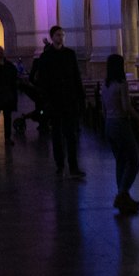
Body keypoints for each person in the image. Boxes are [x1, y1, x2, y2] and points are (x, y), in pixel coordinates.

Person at [37, 24, 86, 177]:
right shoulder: (45, 57)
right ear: (52, 37)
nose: (61, 37)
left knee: (71, 135)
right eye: (58, 35)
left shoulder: (70, 54)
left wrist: (80, 97)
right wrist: (46, 101)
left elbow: (76, 76)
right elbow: (42, 81)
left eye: (62, 35)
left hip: (69, 99)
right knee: (57, 135)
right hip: (54, 101)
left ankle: (73, 166)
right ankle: (60, 164)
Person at [103, 54, 139, 213]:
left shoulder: (105, 85)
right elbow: (126, 107)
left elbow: (103, 109)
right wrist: (138, 118)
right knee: (133, 162)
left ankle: (123, 196)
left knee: (120, 161)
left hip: (109, 124)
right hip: (121, 124)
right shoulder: (122, 84)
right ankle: (122, 194)